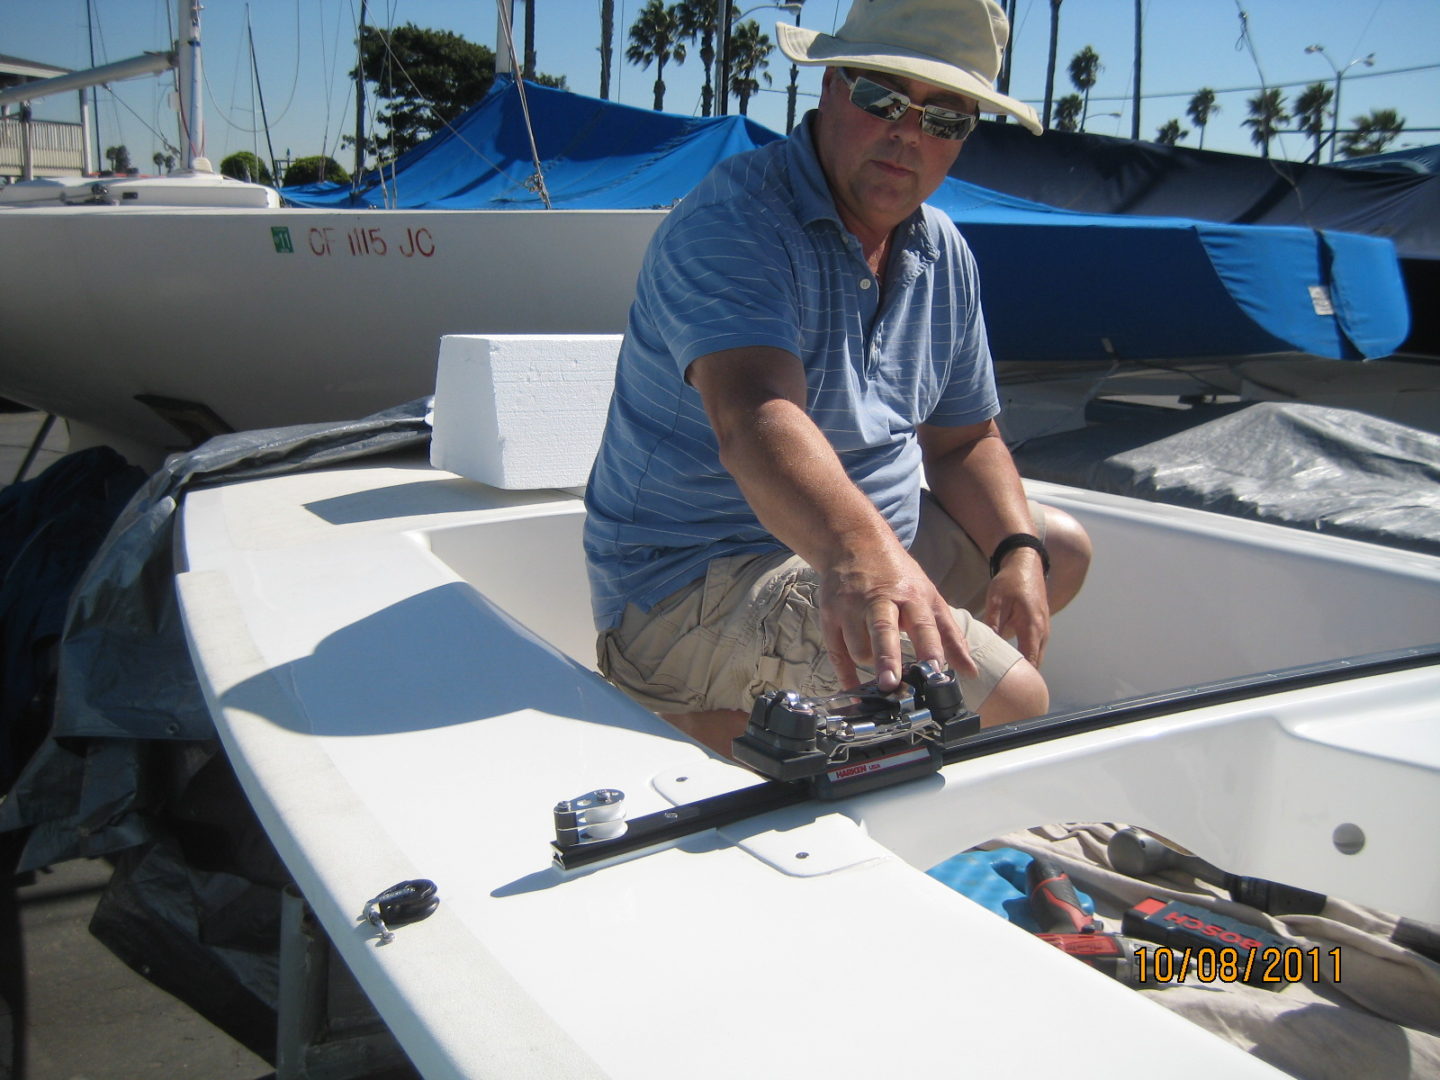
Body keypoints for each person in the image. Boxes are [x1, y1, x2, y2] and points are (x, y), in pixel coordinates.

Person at [584, 0, 1092, 757]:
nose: (907, 133)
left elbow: (962, 444)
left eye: (945, 118)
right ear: (829, 87)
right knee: (1014, 701)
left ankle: (852, 725)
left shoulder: (943, 254)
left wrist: (1017, 548)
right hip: (696, 585)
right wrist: (867, 557)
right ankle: (681, 722)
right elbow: (755, 418)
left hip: (854, 541)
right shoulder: (736, 223)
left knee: (1061, 552)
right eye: (884, 96)